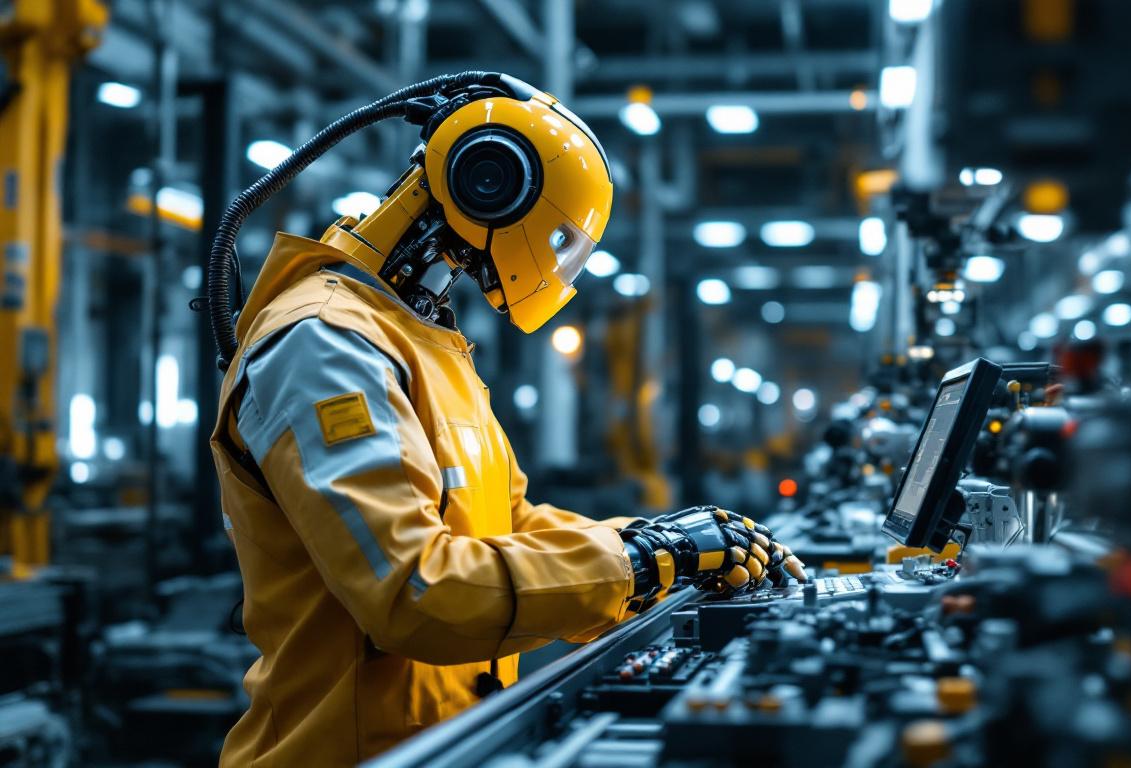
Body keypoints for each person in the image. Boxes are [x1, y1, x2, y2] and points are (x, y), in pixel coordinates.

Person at [207, 73, 806, 766]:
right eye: (559, 240)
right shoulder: (323, 342)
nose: (559, 265)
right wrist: (646, 560)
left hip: (452, 740)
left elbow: (512, 524)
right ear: (488, 180)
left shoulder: (422, 339)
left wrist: (664, 544)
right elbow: (416, 590)